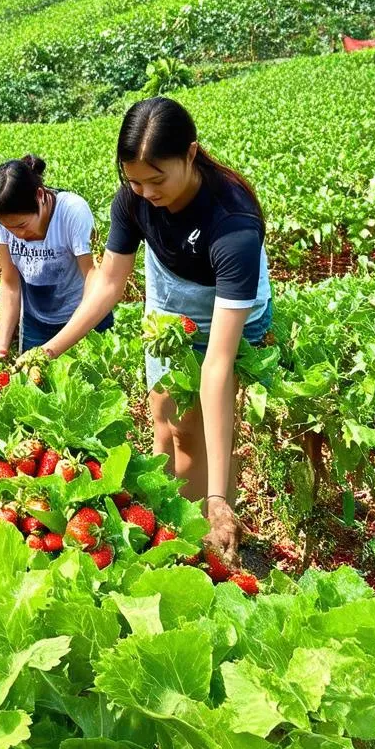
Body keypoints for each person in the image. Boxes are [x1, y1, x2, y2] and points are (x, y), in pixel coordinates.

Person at [26, 98, 273, 563]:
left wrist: (218, 497)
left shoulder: (232, 224)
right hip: (169, 310)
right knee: (165, 425)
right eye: (134, 180)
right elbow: (108, 286)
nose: (144, 192)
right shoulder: (134, 199)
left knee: (194, 432)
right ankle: (170, 524)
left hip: (225, 314)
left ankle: (209, 525)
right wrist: (49, 350)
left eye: (156, 180)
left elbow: (217, 364)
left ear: (192, 154)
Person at [0, 154, 113, 358]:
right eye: (8, 229)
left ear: (40, 196)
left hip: (86, 320)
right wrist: (1, 349)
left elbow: (93, 276)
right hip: (37, 325)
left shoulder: (72, 211)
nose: (18, 235)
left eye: (22, 226)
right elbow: (10, 281)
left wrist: (58, 345)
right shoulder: (2, 218)